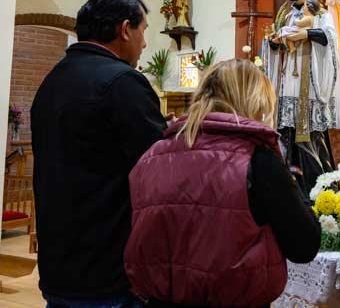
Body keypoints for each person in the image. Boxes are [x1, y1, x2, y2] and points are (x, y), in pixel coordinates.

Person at [125, 59, 321, 308]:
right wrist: (294, 186)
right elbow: (304, 245)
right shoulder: (258, 160)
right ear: (255, 100)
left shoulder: (152, 155)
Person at [31, 0, 167, 308]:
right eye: (143, 31)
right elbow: (158, 168)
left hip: (59, 262)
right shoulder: (122, 81)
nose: (144, 43)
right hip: (107, 267)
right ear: (124, 29)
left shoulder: (54, 80)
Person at [262, 0, 340, 196]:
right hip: (288, 81)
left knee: (311, 138)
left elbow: (329, 38)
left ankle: (319, 191)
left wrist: (306, 33)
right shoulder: (287, 16)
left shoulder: (321, 14)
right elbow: (279, 39)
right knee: (287, 134)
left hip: (309, 84)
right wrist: (273, 42)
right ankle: (290, 191)